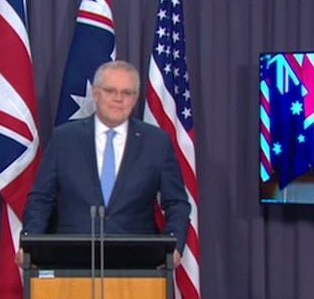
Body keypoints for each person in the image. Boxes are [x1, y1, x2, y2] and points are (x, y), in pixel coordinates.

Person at [20, 60, 190, 267]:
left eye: (127, 93)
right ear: (96, 93)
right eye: (111, 90)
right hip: (71, 263)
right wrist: (30, 246)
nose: (118, 98)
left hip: (135, 266)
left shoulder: (156, 143)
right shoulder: (64, 139)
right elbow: (40, 199)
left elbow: (177, 203)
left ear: (135, 98)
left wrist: (174, 246)